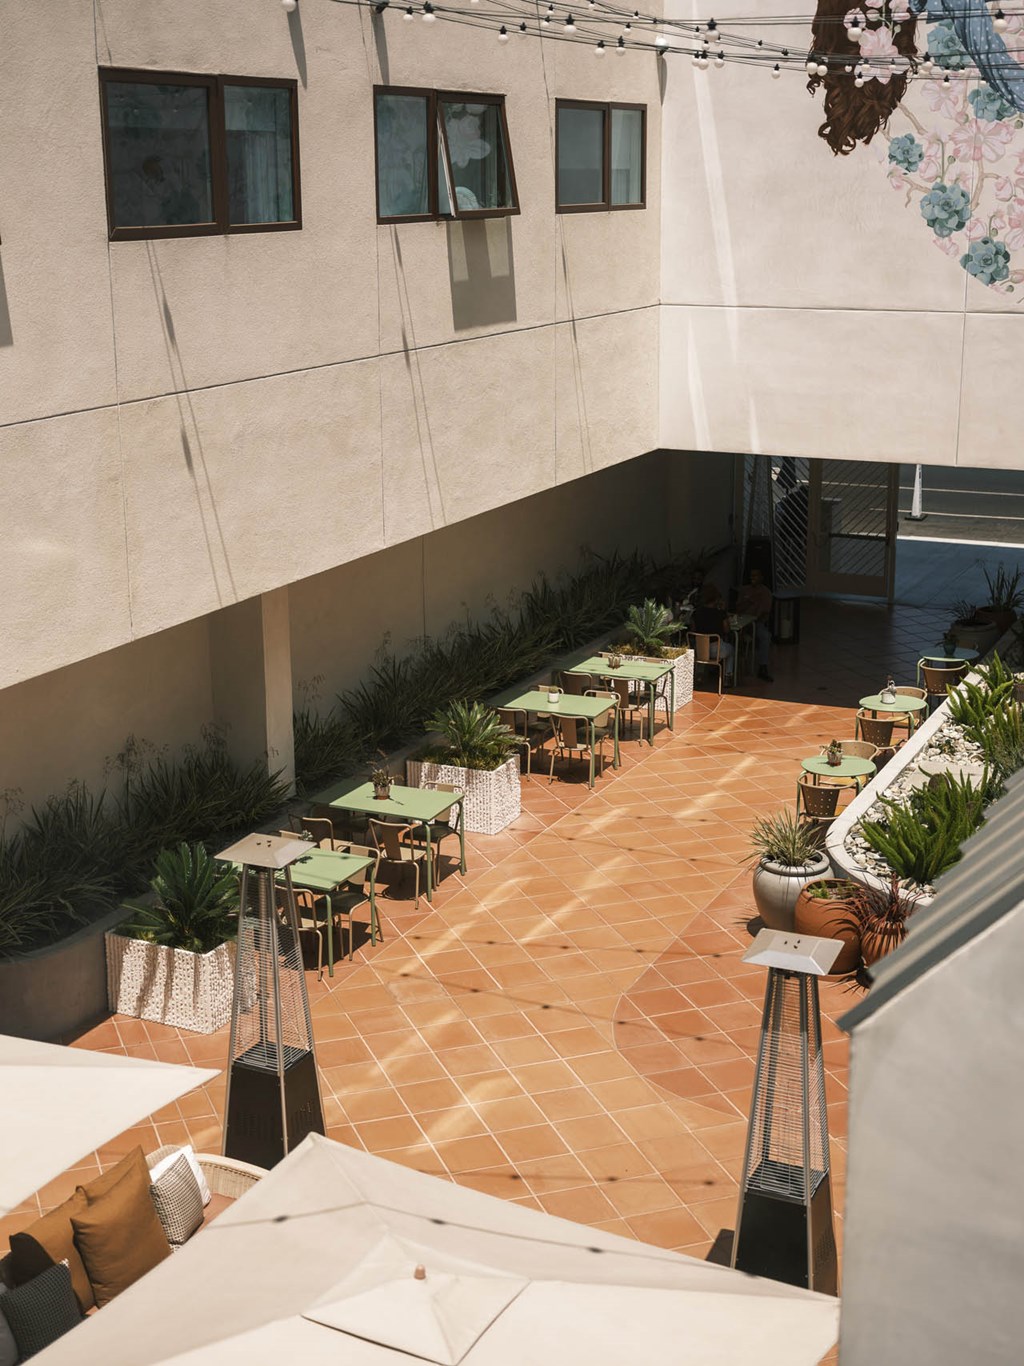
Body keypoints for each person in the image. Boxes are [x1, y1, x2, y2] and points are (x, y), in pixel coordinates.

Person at [691, 583, 734, 687]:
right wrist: (724, 612)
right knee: (732, 649)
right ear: (716, 599)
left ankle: (700, 675)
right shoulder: (720, 614)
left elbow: (693, 630)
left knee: (701, 643)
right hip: (717, 650)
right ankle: (727, 676)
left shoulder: (696, 613)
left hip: (699, 650)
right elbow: (727, 630)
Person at [737, 568, 774, 684]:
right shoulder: (744, 590)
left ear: (761, 577)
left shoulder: (766, 592)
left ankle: (763, 667)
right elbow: (738, 607)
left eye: (756, 576)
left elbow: (765, 611)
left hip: (756, 623)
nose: (753, 578)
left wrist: (756, 618)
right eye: (751, 576)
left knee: (765, 637)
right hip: (742, 621)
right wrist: (748, 602)